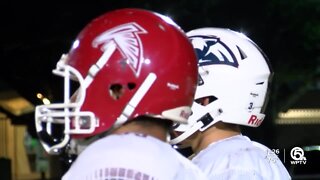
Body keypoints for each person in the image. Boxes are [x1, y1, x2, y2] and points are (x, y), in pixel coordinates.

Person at [34, 8, 208, 180]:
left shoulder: (98, 161)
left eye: (84, 85)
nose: (73, 99)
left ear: (119, 90)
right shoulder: (190, 172)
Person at [170, 27, 291, 179]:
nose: (168, 101)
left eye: (178, 91)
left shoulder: (229, 164)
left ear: (205, 99)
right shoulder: (252, 155)